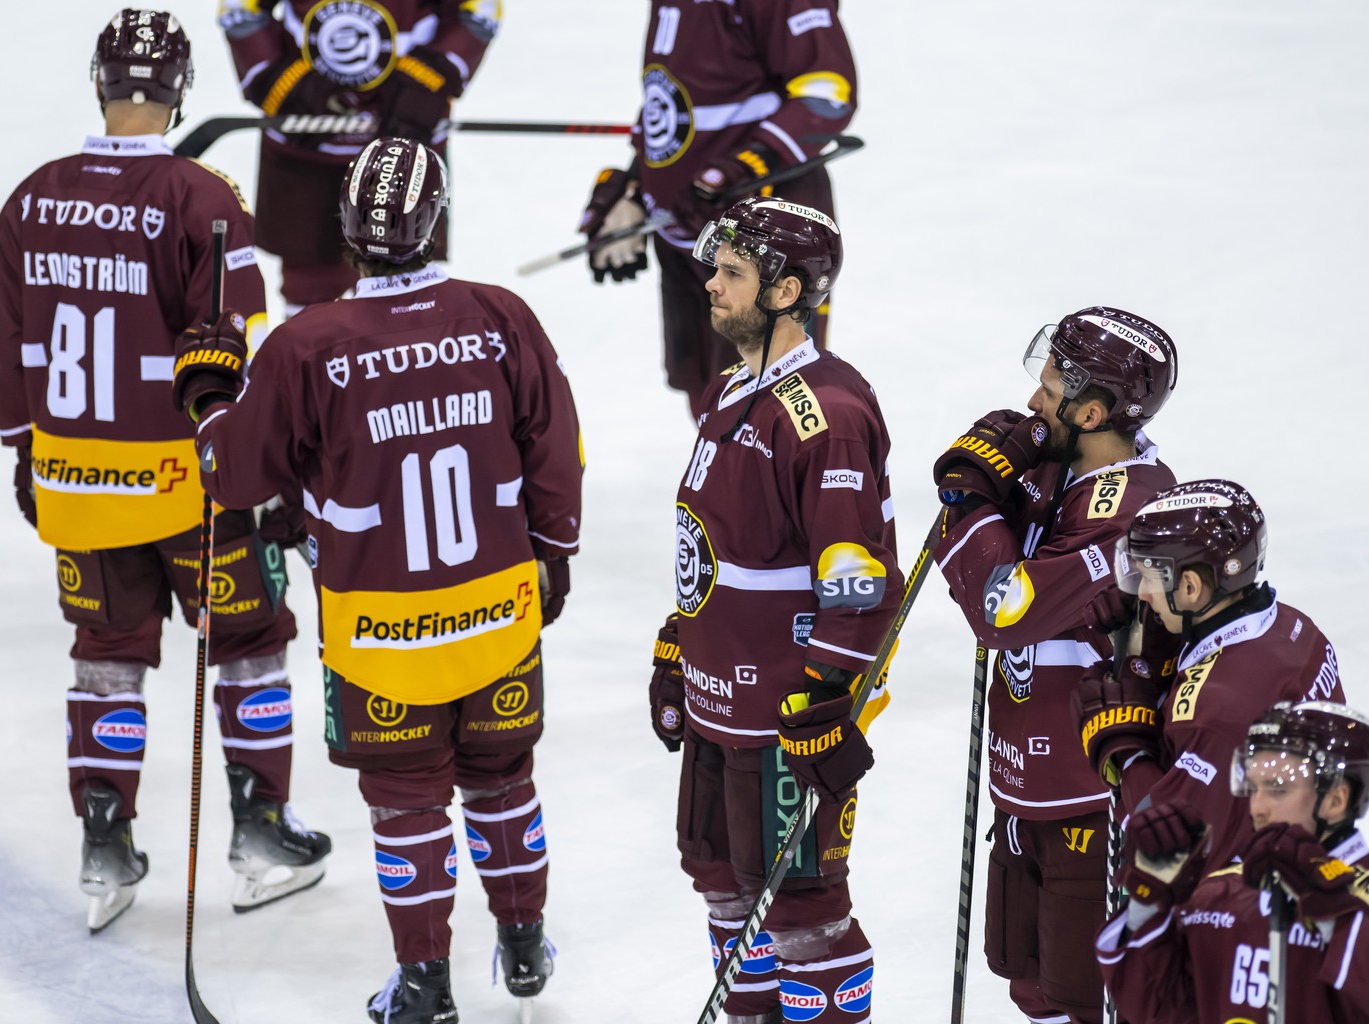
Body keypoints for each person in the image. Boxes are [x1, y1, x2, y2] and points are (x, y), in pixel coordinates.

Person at [175, 136, 583, 1023]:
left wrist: (210, 395)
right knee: (503, 779)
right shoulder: (500, 315)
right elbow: (555, 456)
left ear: (346, 232)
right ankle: (522, 946)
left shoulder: (304, 345)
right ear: (437, 223)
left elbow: (233, 478)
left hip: (376, 638)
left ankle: (425, 985)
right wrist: (554, 554)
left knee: (407, 806)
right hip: (496, 615)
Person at [0, 8, 330, 934]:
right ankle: (260, 832)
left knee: (106, 658)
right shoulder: (204, 199)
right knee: (251, 643)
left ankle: (105, 843)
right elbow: (240, 358)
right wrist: (274, 475)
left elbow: (13, 352)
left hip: (75, 482)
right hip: (194, 484)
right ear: (180, 93)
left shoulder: (29, 198)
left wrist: (27, 453)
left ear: (97, 85)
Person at [647, 197, 898, 1024]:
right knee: (723, 885)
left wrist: (828, 697)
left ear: (787, 291)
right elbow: (714, 548)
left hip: (785, 721)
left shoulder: (826, 417)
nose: (709, 285)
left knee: (801, 914)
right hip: (723, 705)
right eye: (713, 268)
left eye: (732, 274)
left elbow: (859, 581)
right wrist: (679, 646)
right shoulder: (730, 387)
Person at [932, 307, 1180, 1023]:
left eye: (1050, 389)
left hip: (1088, 799)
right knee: (1028, 979)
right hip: (1025, 785)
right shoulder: (1055, 472)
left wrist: (969, 509)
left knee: (1086, 999)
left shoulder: (1137, 511)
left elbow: (1005, 608)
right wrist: (979, 484)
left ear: (1094, 410)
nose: (1034, 403)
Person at [1097, 701, 1369, 1024]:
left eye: (1278, 789)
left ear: (1335, 799)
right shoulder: (1217, 892)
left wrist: (1333, 912)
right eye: (1253, 787)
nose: (1257, 807)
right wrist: (1148, 903)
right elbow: (1156, 1009)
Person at [579, 0, 857, 404]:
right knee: (709, 394)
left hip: (762, 246)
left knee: (770, 402)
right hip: (685, 239)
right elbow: (673, 101)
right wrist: (635, 189)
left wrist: (736, 170)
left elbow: (826, 94)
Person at [1075, 479, 1347, 873]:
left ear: (1190, 586)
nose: (1142, 595)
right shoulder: (1295, 626)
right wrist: (1155, 650)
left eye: (1148, 578)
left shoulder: (1217, 711)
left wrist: (1125, 747)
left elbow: (1173, 854)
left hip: (1242, 914)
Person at [217, 0, 500, 316]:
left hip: (405, 155)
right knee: (310, 289)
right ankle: (307, 359)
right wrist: (282, 83)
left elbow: (480, 9)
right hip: (305, 152)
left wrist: (428, 78)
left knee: (406, 287)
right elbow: (239, 8)